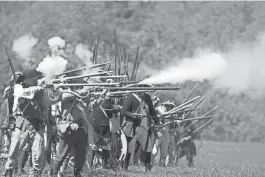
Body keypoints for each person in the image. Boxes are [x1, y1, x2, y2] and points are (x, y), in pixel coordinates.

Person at [2, 69, 63, 177]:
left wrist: (57, 89)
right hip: (23, 124)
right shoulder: (19, 89)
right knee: (14, 152)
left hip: (38, 126)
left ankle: (34, 174)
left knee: (38, 154)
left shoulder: (43, 92)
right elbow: (22, 93)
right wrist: (38, 88)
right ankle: (8, 172)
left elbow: (54, 99)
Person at [51, 79, 91, 177]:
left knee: (81, 156)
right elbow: (64, 97)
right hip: (69, 129)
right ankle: (53, 173)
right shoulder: (64, 94)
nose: (80, 87)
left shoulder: (79, 97)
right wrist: (79, 92)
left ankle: (77, 173)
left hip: (81, 129)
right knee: (61, 155)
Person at [121, 84, 159, 172]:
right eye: (142, 89)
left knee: (148, 147)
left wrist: (156, 121)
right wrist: (132, 115)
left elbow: (152, 110)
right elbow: (123, 111)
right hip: (133, 127)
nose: (143, 91)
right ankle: (125, 167)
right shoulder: (131, 97)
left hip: (144, 127)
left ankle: (147, 168)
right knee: (130, 148)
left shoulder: (147, 98)